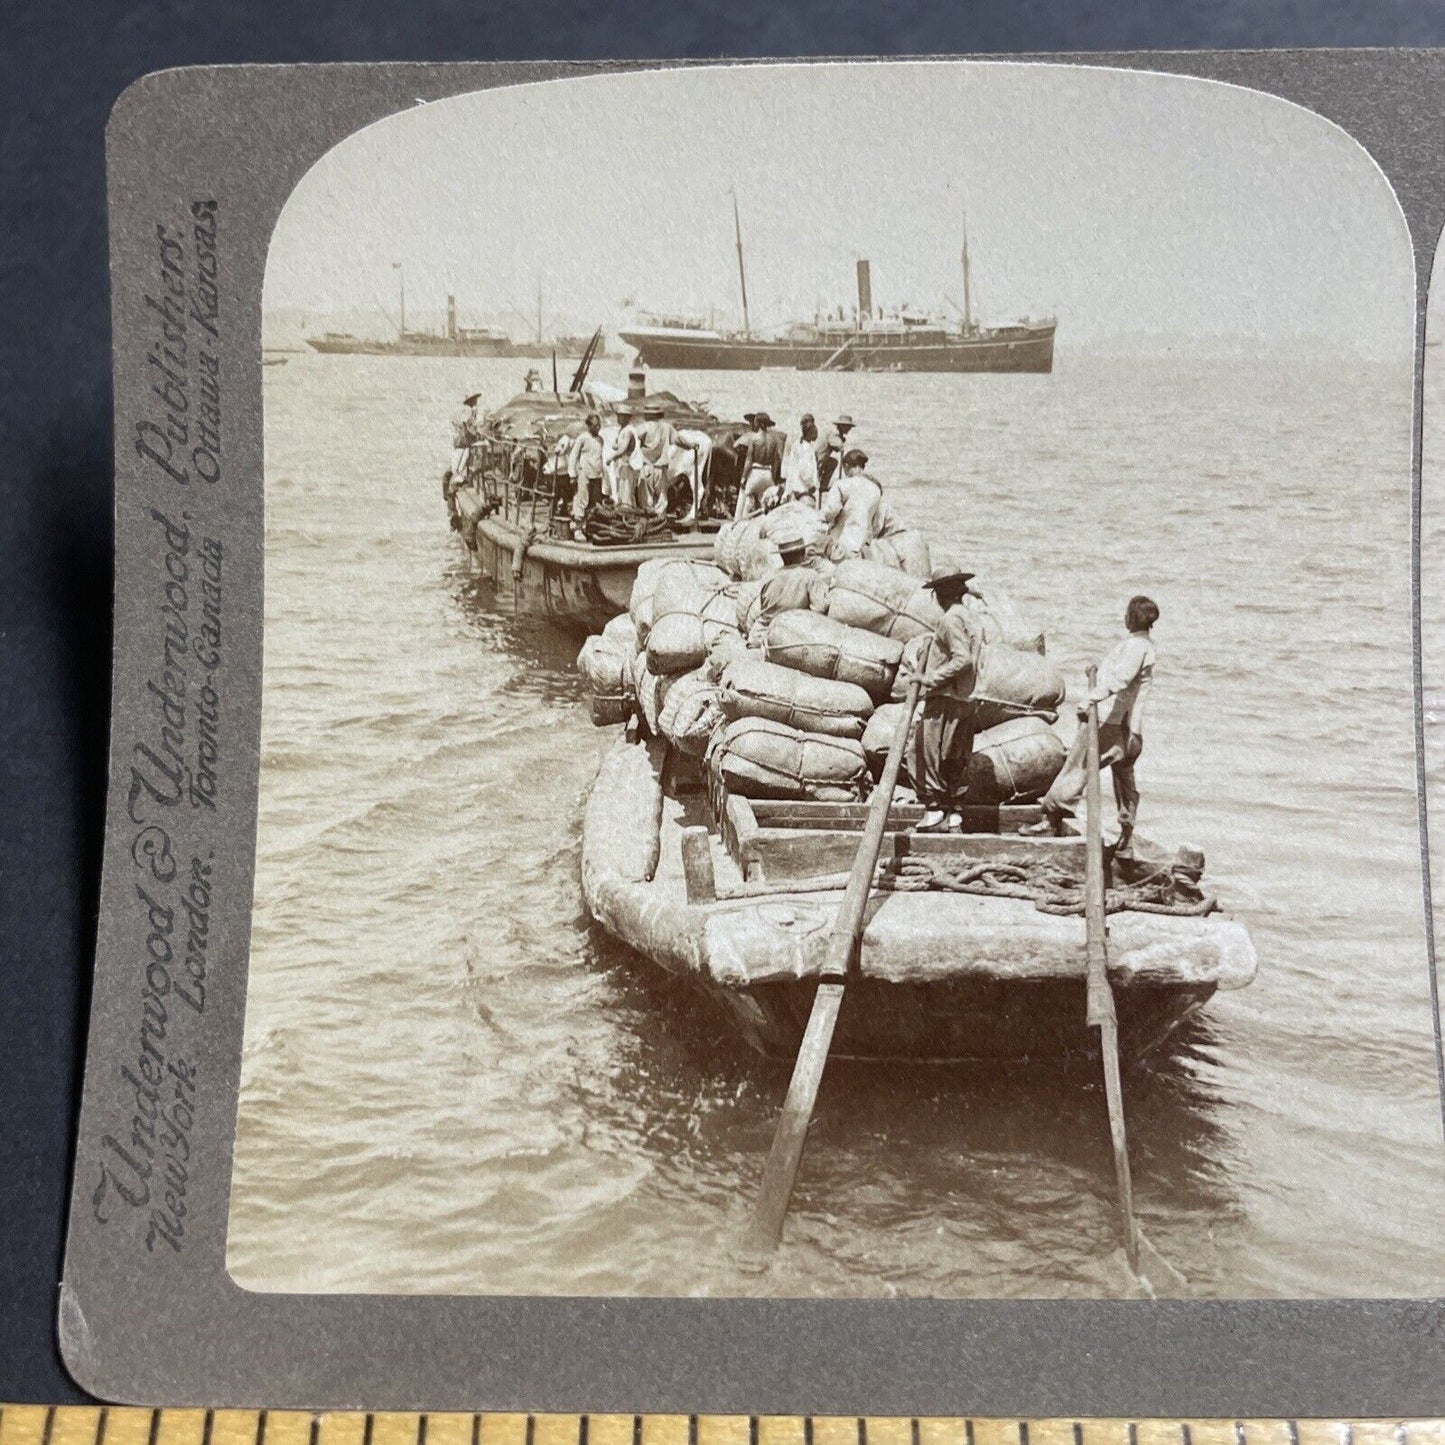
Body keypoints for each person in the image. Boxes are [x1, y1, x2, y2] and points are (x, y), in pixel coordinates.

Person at [1023, 595, 1160, 850]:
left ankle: (1051, 818)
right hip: (1133, 733)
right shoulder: (1147, 646)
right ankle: (1126, 832)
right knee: (1125, 782)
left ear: (1130, 618)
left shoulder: (1134, 647)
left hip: (1116, 727)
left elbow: (1120, 680)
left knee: (1077, 765)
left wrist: (1089, 699)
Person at [905, 563, 984, 834]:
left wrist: (930, 678)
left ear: (940, 594)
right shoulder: (970, 617)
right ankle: (953, 816)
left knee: (920, 753)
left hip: (946, 698)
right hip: (965, 699)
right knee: (954, 757)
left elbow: (962, 659)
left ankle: (934, 811)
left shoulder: (950, 620)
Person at [633, 400, 699, 516]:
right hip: (661, 469)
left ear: (647, 414)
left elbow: (631, 440)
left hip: (647, 467)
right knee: (661, 499)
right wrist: (691, 445)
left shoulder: (643, 427)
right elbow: (679, 440)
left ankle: (648, 523)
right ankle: (659, 524)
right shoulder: (667, 428)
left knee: (646, 499)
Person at [757, 528, 831, 630]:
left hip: (763, 632)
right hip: (792, 633)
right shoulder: (809, 576)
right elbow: (820, 607)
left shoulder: (768, 576)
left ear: (782, 555)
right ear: (803, 552)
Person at [821, 448, 885, 560]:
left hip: (843, 543)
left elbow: (829, 512)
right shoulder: (875, 489)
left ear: (846, 466)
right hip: (865, 546)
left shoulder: (841, 485)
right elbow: (878, 524)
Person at [732, 410, 787, 520]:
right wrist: (773, 478)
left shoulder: (754, 438)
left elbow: (748, 461)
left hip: (755, 472)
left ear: (760, 423)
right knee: (767, 500)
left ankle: (739, 521)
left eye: (756, 421)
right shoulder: (774, 440)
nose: (754, 423)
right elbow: (776, 462)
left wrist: (743, 478)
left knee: (744, 494)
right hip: (768, 474)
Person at [567, 412, 606, 540]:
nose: (597, 428)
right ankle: (577, 529)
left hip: (597, 475)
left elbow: (600, 458)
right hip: (584, 473)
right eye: (594, 426)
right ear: (588, 426)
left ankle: (589, 527)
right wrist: (572, 474)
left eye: (598, 426)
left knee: (595, 503)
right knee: (581, 499)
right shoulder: (582, 438)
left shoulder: (600, 440)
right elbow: (573, 456)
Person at [607, 401, 642, 508]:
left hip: (628, 464)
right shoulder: (622, 430)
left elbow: (622, 449)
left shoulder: (628, 431)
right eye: (618, 416)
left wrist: (611, 458)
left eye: (621, 416)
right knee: (622, 489)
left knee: (626, 490)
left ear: (627, 418)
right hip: (623, 464)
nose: (618, 418)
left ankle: (627, 512)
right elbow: (615, 445)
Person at [781, 413, 820, 504]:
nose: (817, 436)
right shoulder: (806, 448)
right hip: (803, 489)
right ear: (810, 433)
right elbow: (804, 470)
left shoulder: (798, 444)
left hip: (794, 486)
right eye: (815, 433)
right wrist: (811, 485)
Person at [816, 413, 855, 491]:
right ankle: (823, 485)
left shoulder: (835, 432)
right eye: (848, 427)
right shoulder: (834, 433)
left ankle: (823, 484)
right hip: (817, 460)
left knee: (832, 461)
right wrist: (842, 441)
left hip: (820, 458)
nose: (849, 429)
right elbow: (838, 446)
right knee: (833, 462)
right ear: (842, 426)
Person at [448, 393, 481, 485]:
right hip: (464, 437)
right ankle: (461, 477)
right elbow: (466, 423)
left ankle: (460, 475)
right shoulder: (469, 410)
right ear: (471, 401)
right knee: (465, 455)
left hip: (459, 436)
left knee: (461, 457)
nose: (476, 401)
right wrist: (475, 433)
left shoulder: (463, 409)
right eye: (475, 399)